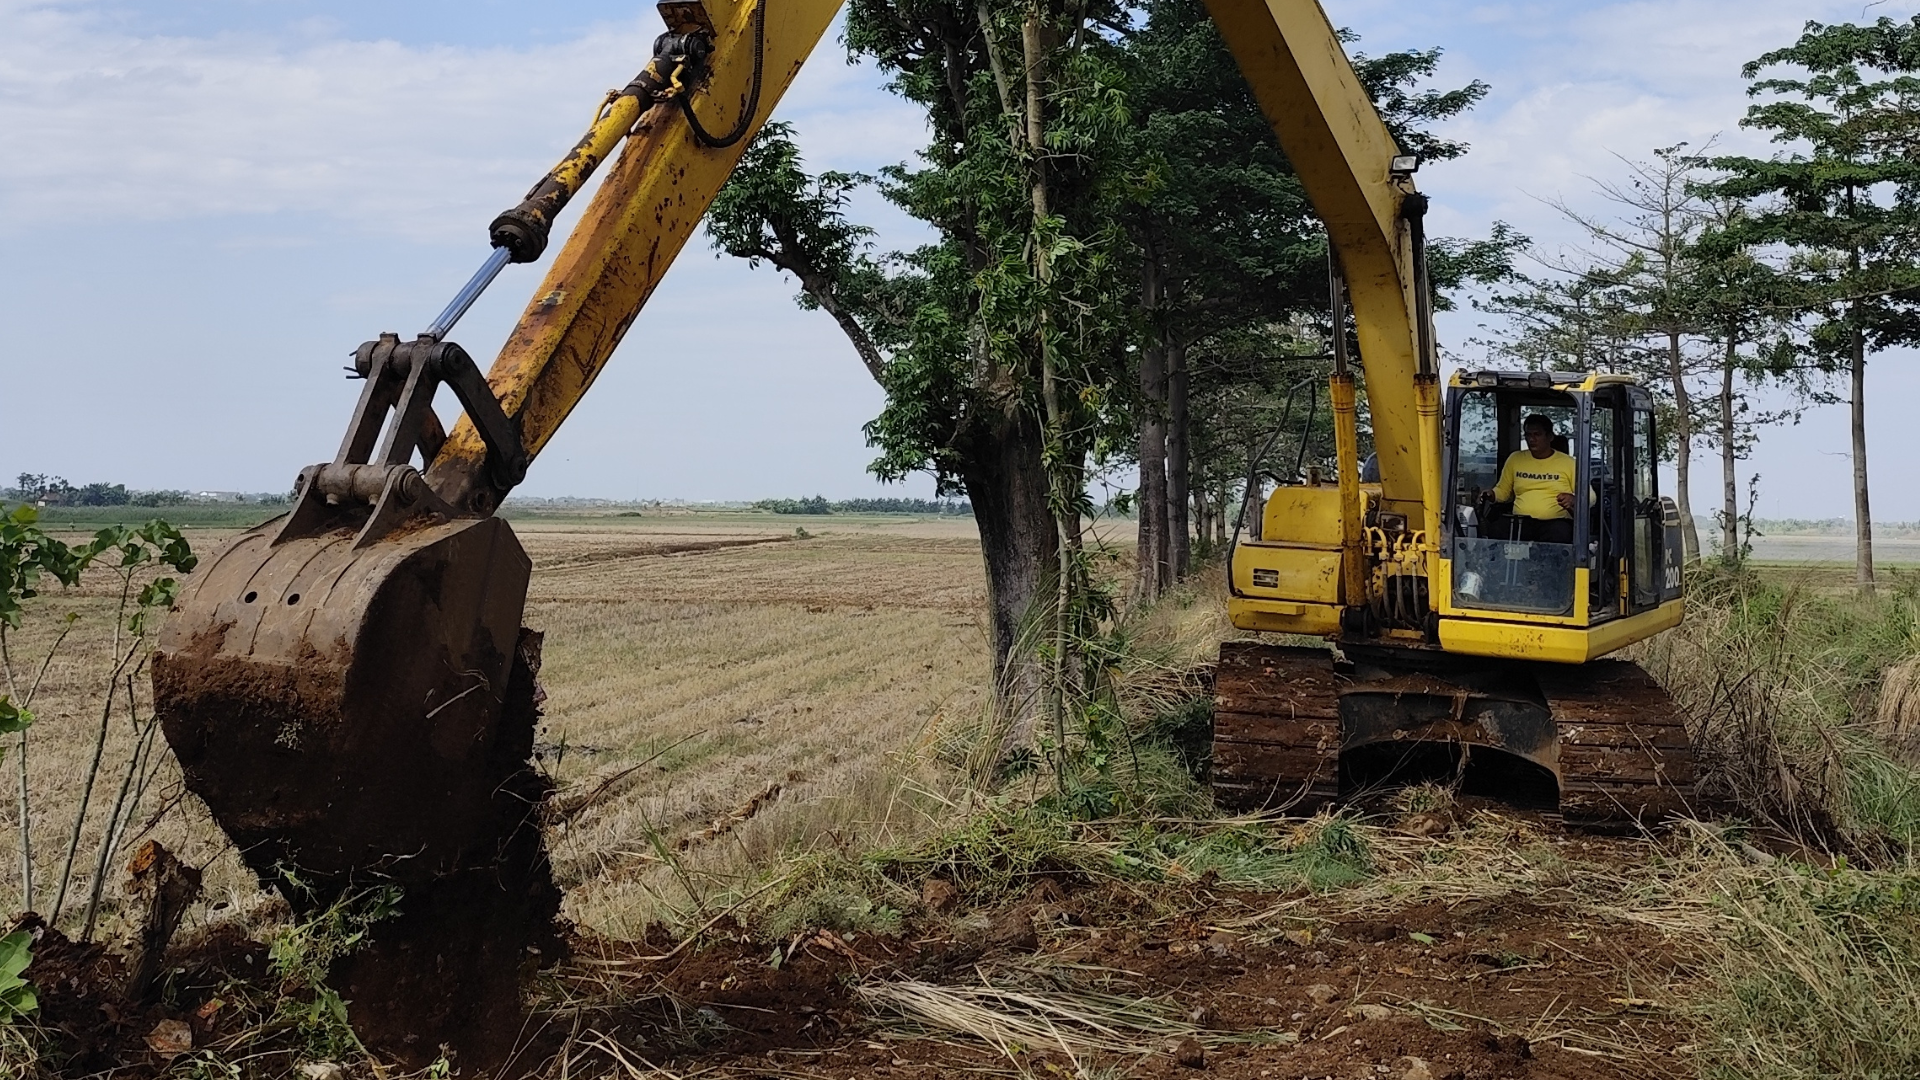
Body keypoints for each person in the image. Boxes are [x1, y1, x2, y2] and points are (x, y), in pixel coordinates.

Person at [1488, 414, 1581, 544]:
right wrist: (1491, 494)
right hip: (1521, 522)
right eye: (1528, 435)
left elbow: (1590, 496)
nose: (1531, 439)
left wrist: (1573, 498)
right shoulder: (1515, 459)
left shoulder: (1569, 463)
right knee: (1497, 529)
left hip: (1555, 523)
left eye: (1537, 434)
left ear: (1550, 437)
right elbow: (1503, 492)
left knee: (1561, 533)